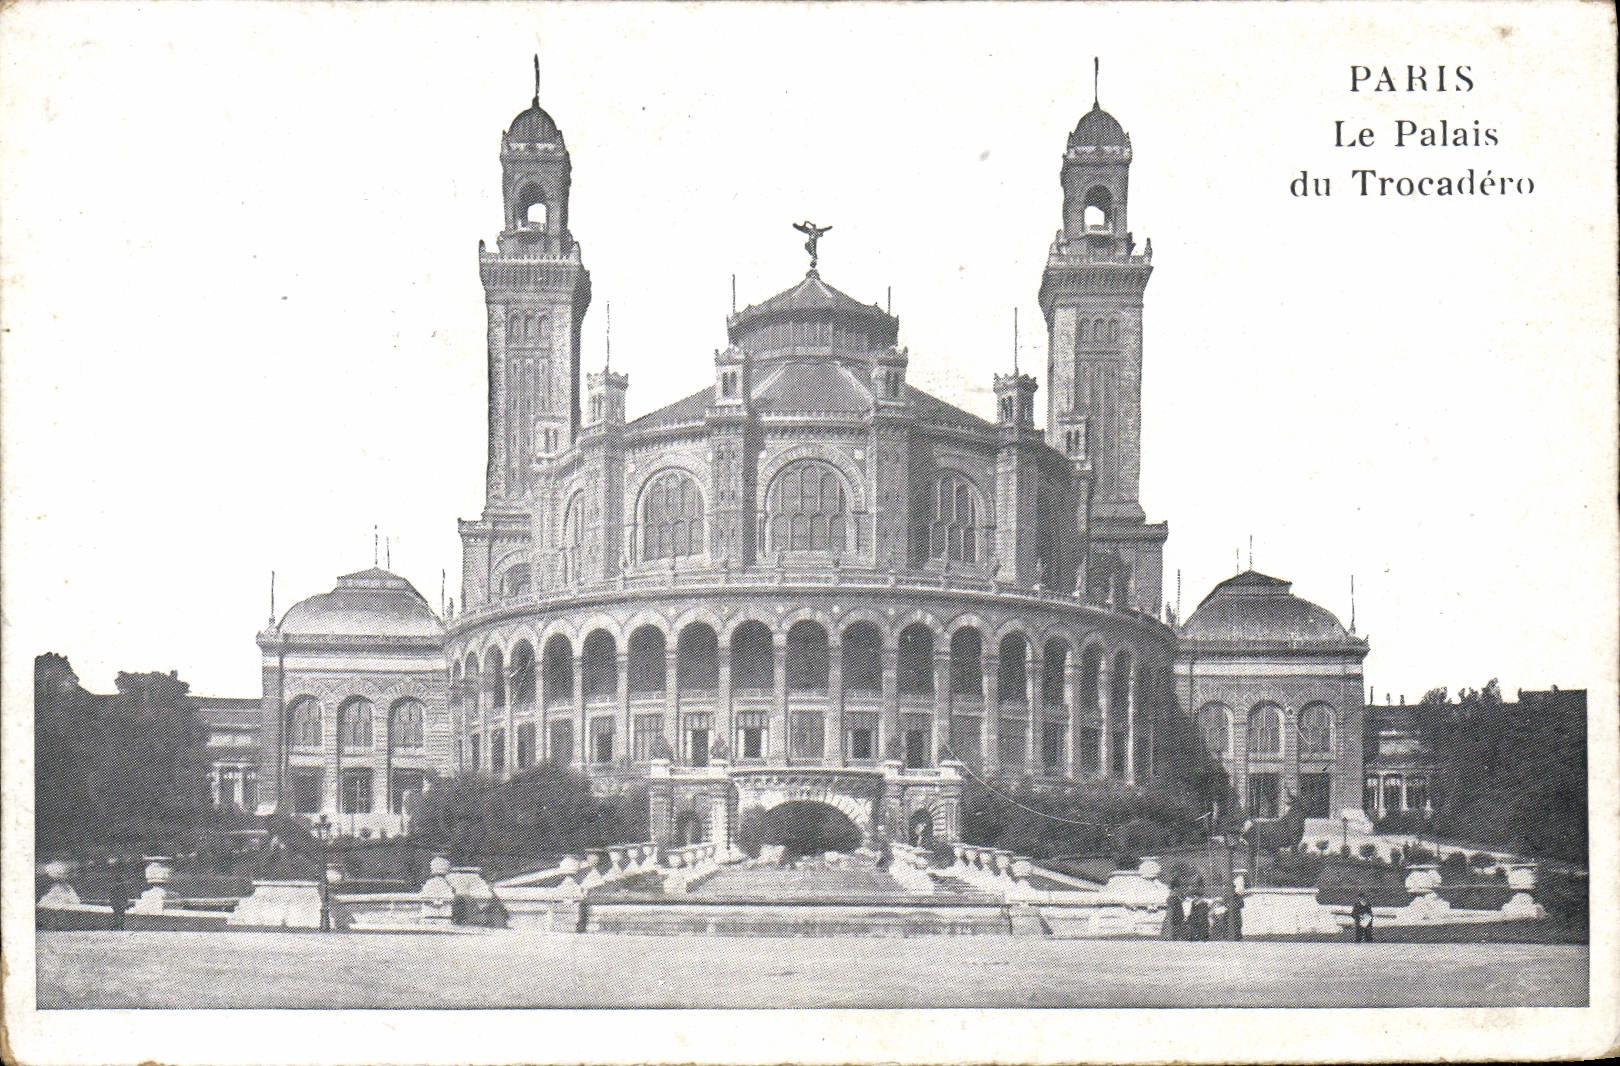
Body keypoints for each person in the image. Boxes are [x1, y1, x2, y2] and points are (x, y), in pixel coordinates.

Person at [107, 859, 129, 931]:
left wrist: (112, 902)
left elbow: (112, 896)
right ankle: (121, 926)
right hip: (121, 903)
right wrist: (126, 903)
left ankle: (116, 926)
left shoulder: (114, 887)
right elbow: (125, 896)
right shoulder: (123, 887)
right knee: (121, 915)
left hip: (116, 903)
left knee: (116, 915)